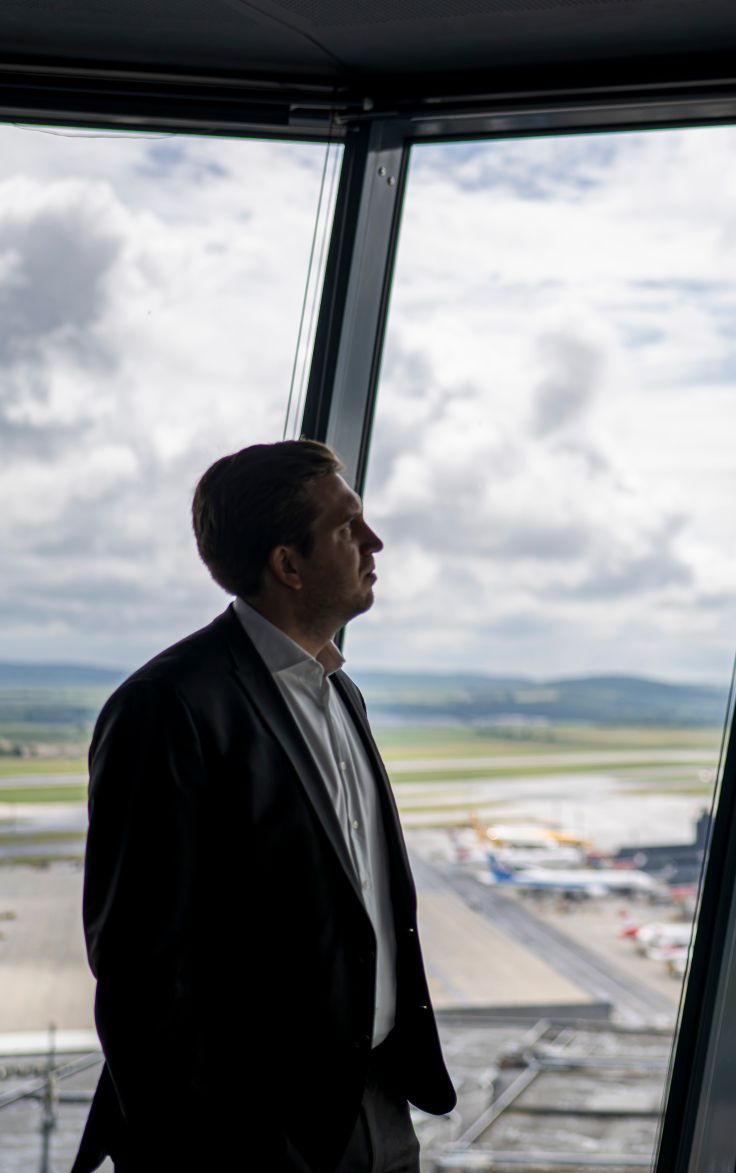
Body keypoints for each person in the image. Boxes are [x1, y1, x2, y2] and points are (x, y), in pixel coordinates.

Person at [75, 440, 454, 1173]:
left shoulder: (340, 691)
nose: (374, 541)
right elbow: (139, 970)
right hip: (248, 1130)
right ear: (288, 564)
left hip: (377, 1104)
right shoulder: (168, 705)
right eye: (347, 526)